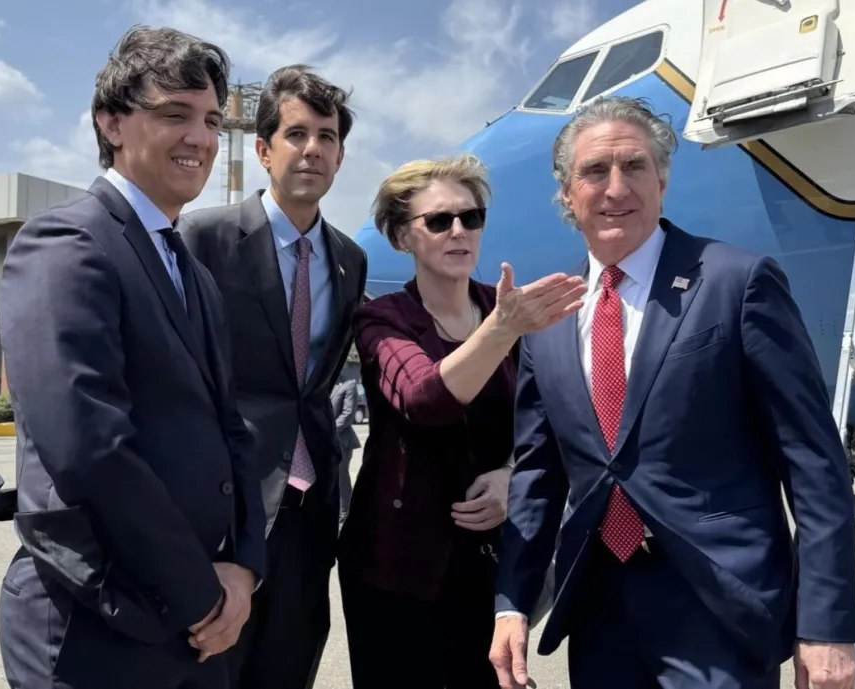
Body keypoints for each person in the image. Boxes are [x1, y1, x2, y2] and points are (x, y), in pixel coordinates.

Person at [489, 96, 855, 689]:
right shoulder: (552, 318)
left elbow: (814, 464)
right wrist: (512, 602)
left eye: (635, 166)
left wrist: (827, 626)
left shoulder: (737, 282)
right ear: (567, 193)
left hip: (719, 608)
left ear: (662, 180)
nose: (616, 188)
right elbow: (538, 476)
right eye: (594, 171)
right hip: (601, 613)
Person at [0, 25, 266, 689]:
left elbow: (231, 427)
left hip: (195, 625)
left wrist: (243, 567)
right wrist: (201, 593)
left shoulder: (190, 271)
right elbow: (90, 447)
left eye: (209, 119)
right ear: (111, 123)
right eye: (174, 114)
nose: (200, 138)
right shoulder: (66, 243)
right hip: (97, 621)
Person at [337, 154, 585, 689]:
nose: (459, 232)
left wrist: (515, 476)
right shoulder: (384, 319)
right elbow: (424, 399)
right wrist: (502, 330)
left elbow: (555, 424)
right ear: (403, 237)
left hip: (491, 565)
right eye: (439, 220)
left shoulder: (505, 313)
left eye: (471, 218)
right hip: (396, 568)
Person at [179, 64, 367, 689]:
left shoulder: (350, 258)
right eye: (296, 134)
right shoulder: (204, 237)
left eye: (327, 136)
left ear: (340, 156)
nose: (312, 149)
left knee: (291, 659)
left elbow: (314, 382)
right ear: (263, 150)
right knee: (213, 662)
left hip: (312, 502)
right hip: (227, 499)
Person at [330, 371, 361, 524]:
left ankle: (344, 513)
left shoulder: (350, 385)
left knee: (341, 476)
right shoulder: (328, 385)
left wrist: (328, 430)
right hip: (326, 440)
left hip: (342, 440)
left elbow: (348, 414)